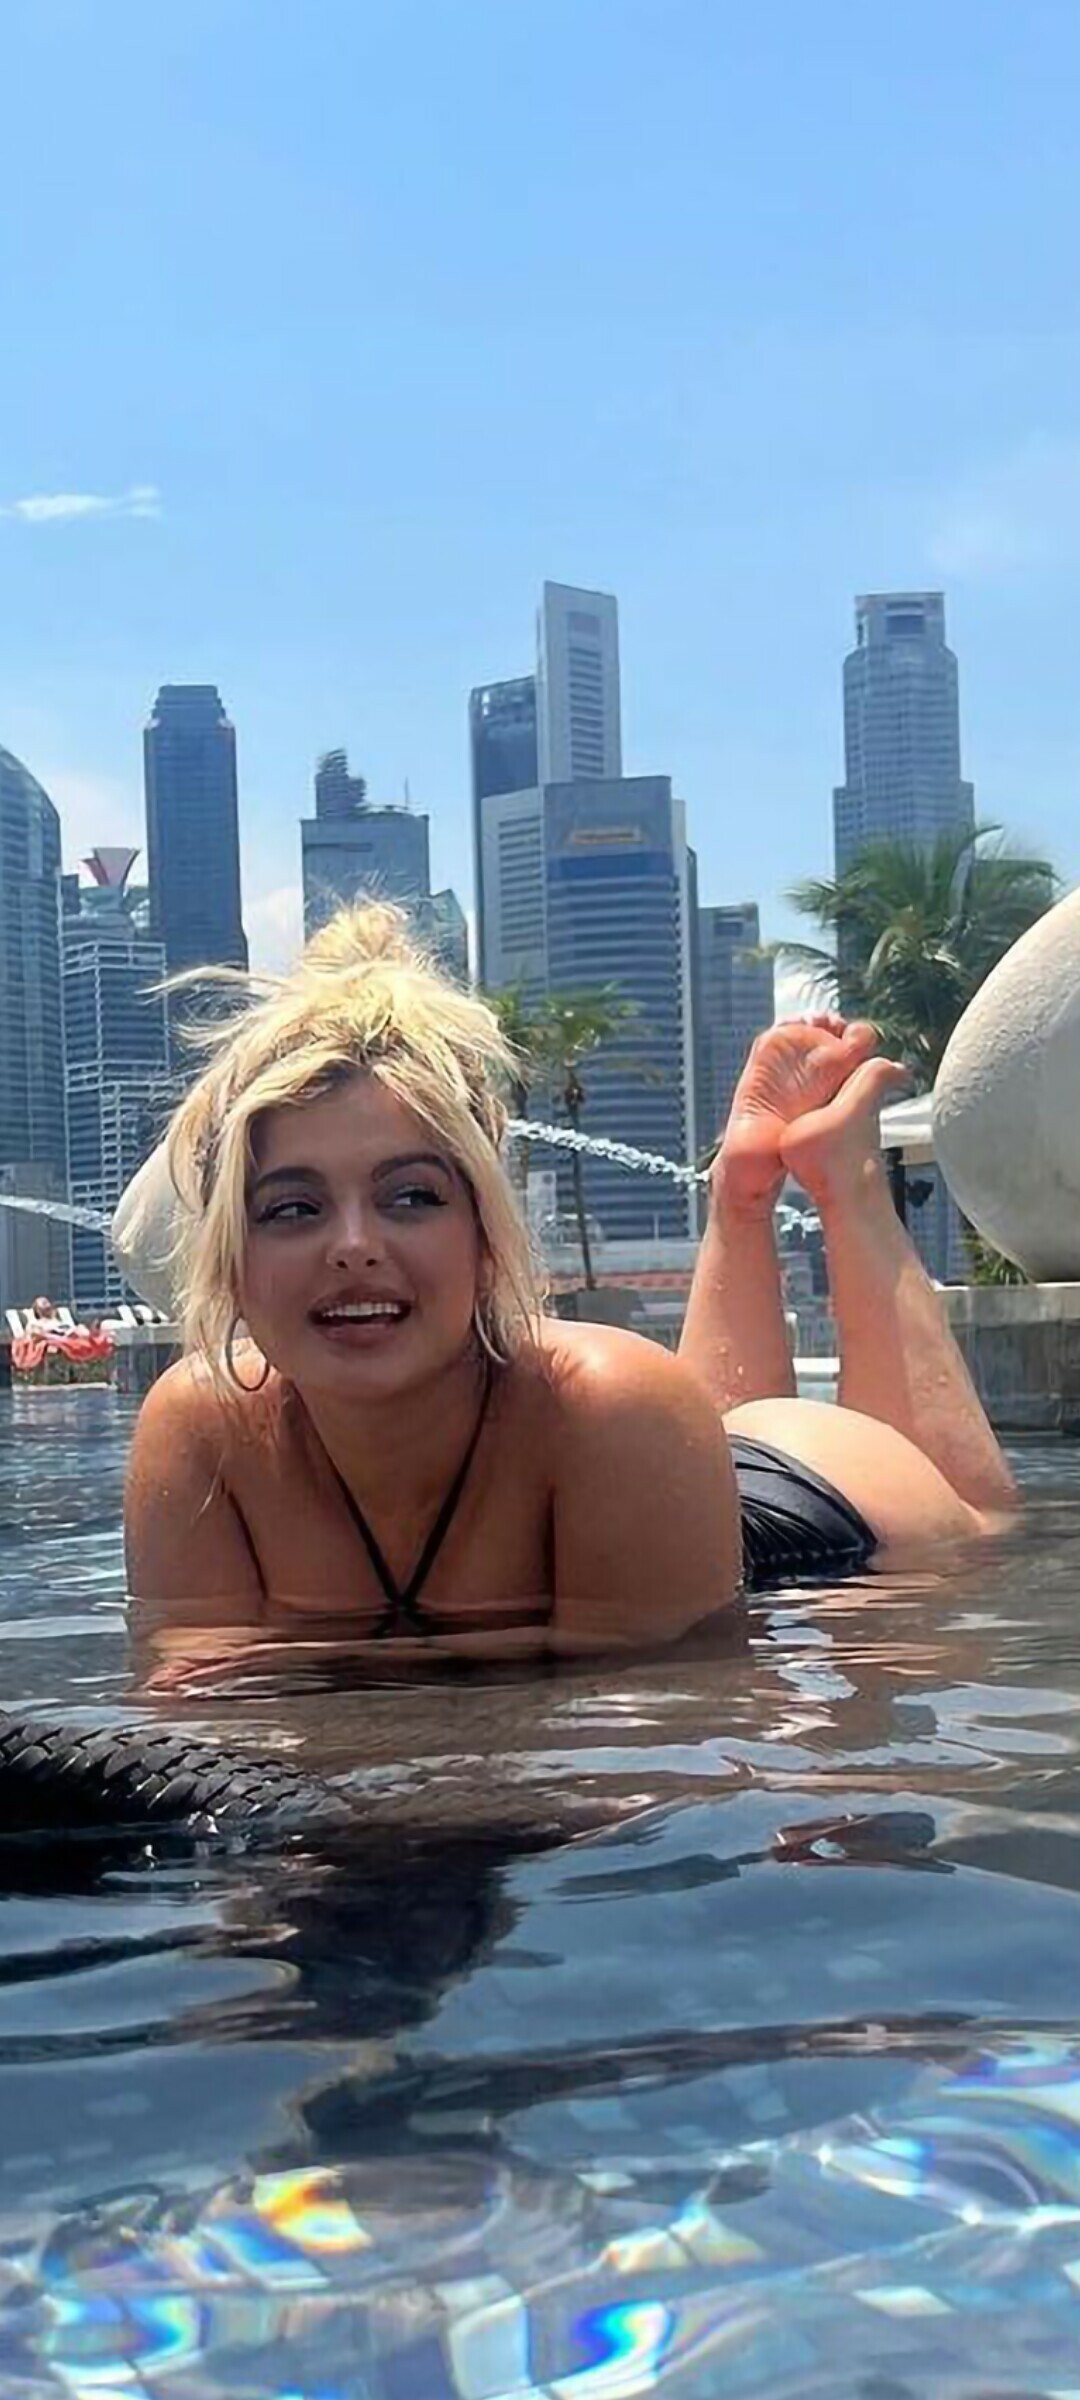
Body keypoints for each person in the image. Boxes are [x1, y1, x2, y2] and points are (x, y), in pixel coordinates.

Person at [124, 904, 1016, 1668]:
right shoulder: (200, 1432)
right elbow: (203, 1709)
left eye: (411, 1197)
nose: (353, 1246)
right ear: (231, 1261)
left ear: (485, 1238)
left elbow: (636, 1743)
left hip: (812, 1519)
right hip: (656, 1478)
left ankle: (842, 1177)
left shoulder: (611, 1404)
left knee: (984, 1523)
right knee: (673, 1422)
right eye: (292, 1209)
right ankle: (743, 1192)